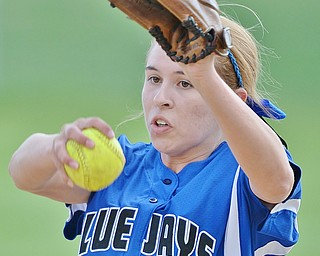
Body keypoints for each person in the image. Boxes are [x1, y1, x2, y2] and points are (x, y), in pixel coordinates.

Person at [9, 15, 301, 256]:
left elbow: (278, 180)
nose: (161, 98)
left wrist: (203, 74)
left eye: (184, 83)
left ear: (232, 101)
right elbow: (22, 172)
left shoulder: (239, 179)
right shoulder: (119, 166)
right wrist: (54, 147)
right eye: (155, 79)